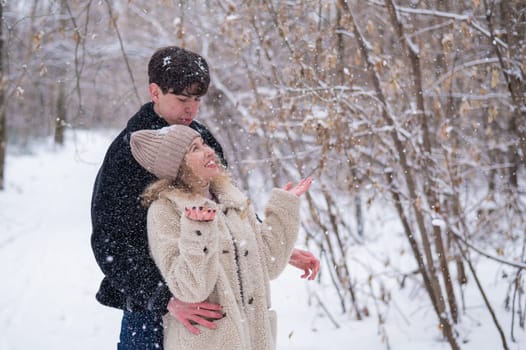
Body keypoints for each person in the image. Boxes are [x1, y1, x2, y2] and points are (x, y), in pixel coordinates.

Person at [90, 46, 319, 349]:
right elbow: (110, 243)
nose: (192, 109)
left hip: (212, 304)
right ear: (155, 92)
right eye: (182, 99)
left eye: (197, 99)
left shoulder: (202, 138)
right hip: (149, 309)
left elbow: (225, 205)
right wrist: (164, 299)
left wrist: (266, 242)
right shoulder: (127, 155)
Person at [130, 124, 312, 350]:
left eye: (204, 143)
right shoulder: (165, 211)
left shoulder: (231, 197)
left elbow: (268, 263)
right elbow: (190, 289)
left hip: (253, 340)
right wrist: (197, 230)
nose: (208, 151)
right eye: (194, 148)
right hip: (206, 342)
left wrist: (283, 209)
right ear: (177, 165)